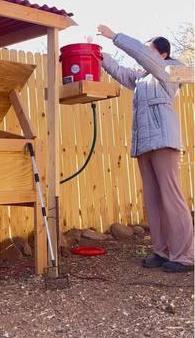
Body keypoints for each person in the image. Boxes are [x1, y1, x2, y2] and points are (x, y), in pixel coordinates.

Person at [97, 24, 194, 273]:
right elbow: (119, 71)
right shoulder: (142, 79)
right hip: (145, 144)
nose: (146, 56)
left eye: (150, 51)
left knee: (171, 198)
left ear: (161, 54)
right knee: (153, 200)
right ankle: (161, 252)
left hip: (163, 141)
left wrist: (115, 37)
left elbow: (142, 54)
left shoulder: (170, 71)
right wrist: (99, 54)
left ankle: (184, 256)